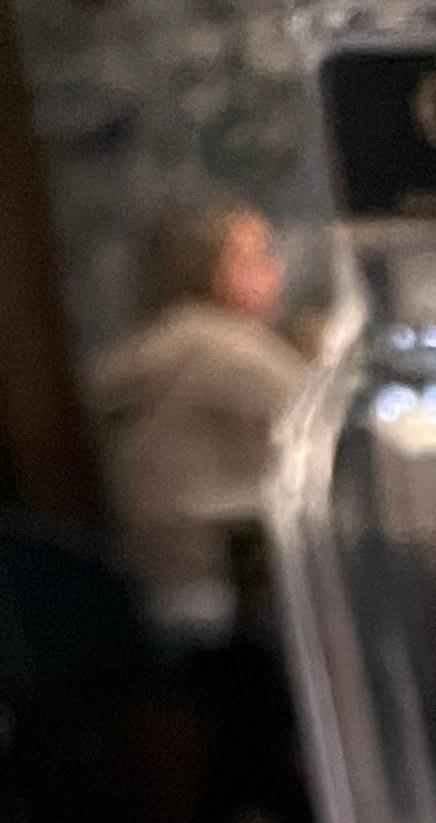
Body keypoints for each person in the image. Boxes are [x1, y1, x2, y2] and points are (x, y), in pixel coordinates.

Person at [90, 202, 313, 644]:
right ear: (207, 270)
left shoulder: (164, 342)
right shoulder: (217, 344)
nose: (276, 270)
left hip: (161, 588)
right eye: (255, 259)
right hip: (222, 598)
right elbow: (323, 423)